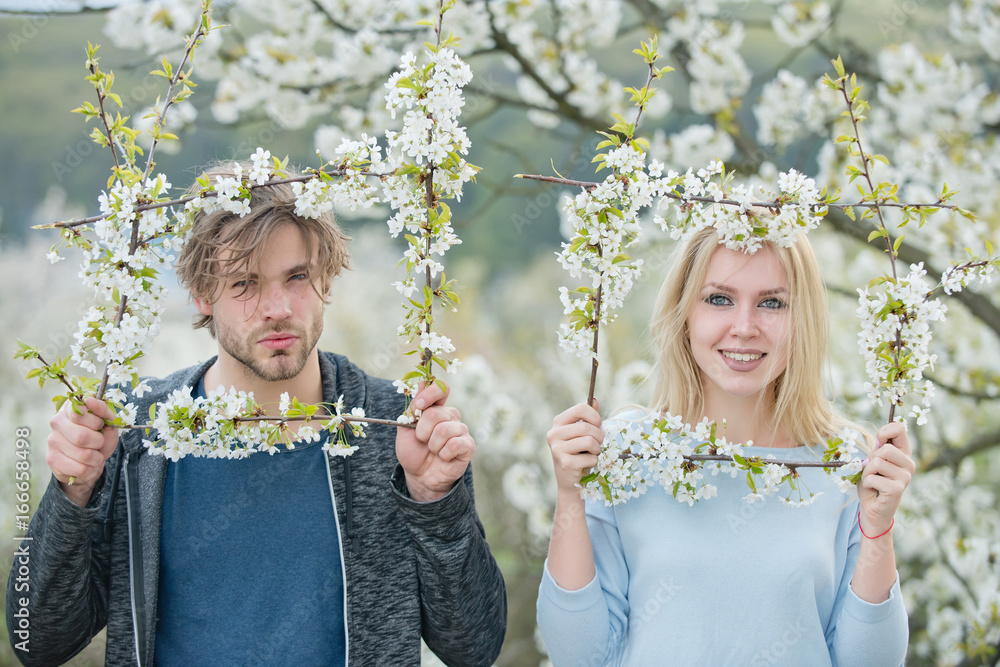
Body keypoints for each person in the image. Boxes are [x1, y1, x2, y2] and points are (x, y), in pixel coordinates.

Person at [7, 164, 507, 666]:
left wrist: (434, 502)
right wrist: (71, 494)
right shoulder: (139, 433)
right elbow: (36, 642)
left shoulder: (393, 429)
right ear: (203, 294)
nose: (277, 307)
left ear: (325, 278)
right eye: (245, 283)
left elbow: (474, 648)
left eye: (297, 276)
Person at [537, 226, 913, 666]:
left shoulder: (842, 465)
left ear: (803, 317)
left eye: (772, 302)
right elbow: (579, 655)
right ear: (684, 311)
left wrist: (878, 527)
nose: (744, 327)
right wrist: (569, 494)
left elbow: (869, 662)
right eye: (719, 299)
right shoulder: (624, 454)